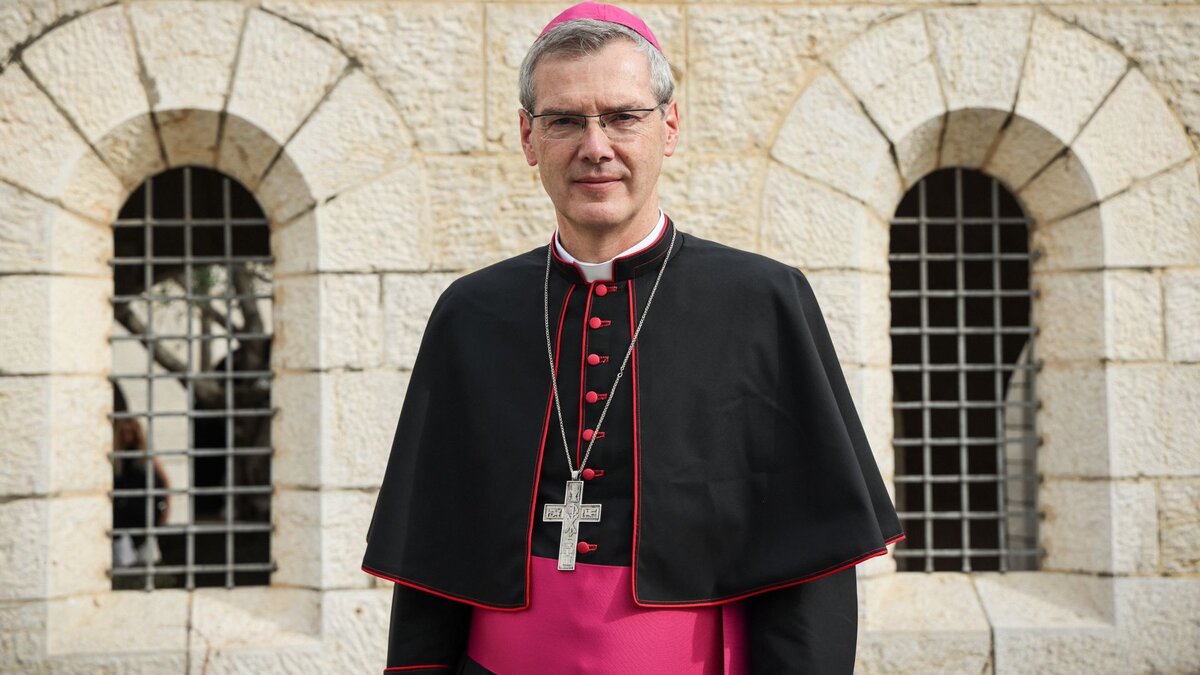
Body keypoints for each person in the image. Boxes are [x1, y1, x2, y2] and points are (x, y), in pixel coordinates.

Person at [361, 3, 902, 672]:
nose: (595, 147)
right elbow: (432, 562)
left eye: (622, 117)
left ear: (668, 127)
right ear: (528, 138)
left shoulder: (763, 304)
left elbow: (810, 560)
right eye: (564, 121)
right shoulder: (470, 314)